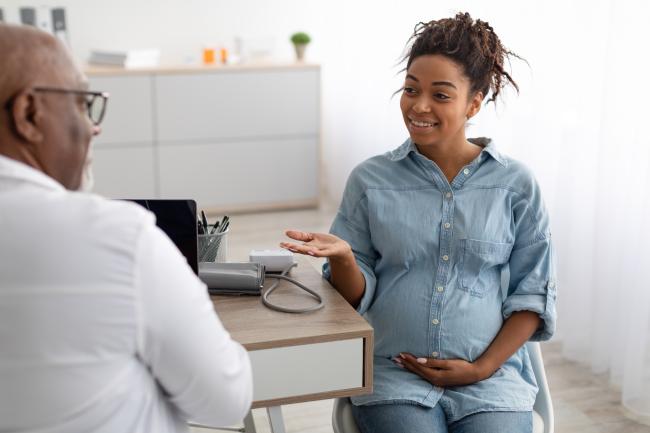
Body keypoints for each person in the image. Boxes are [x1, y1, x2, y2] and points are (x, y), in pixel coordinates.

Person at [281, 12, 556, 433]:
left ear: (474, 102)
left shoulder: (515, 185)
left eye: (440, 95)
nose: (419, 106)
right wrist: (343, 259)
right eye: (411, 89)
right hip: (394, 375)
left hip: (491, 382)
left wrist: (480, 368)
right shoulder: (370, 180)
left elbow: (531, 296)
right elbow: (352, 299)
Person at [0, 24, 252, 433]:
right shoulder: (118, 238)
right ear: (29, 114)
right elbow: (226, 403)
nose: (94, 127)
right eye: (83, 102)